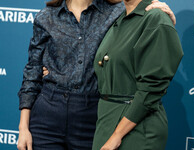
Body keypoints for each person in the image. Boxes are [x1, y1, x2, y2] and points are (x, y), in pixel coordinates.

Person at [17, 0, 177, 150]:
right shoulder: (46, 16)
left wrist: (163, 13)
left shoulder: (117, 12)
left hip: (93, 113)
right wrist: (23, 127)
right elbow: (33, 70)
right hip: (48, 112)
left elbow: (145, 19)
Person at [92, 0, 183, 149]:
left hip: (136, 127)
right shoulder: (121, 17)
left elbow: (151, 90)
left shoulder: (156, 18)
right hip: (106, 121)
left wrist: (117, 135)